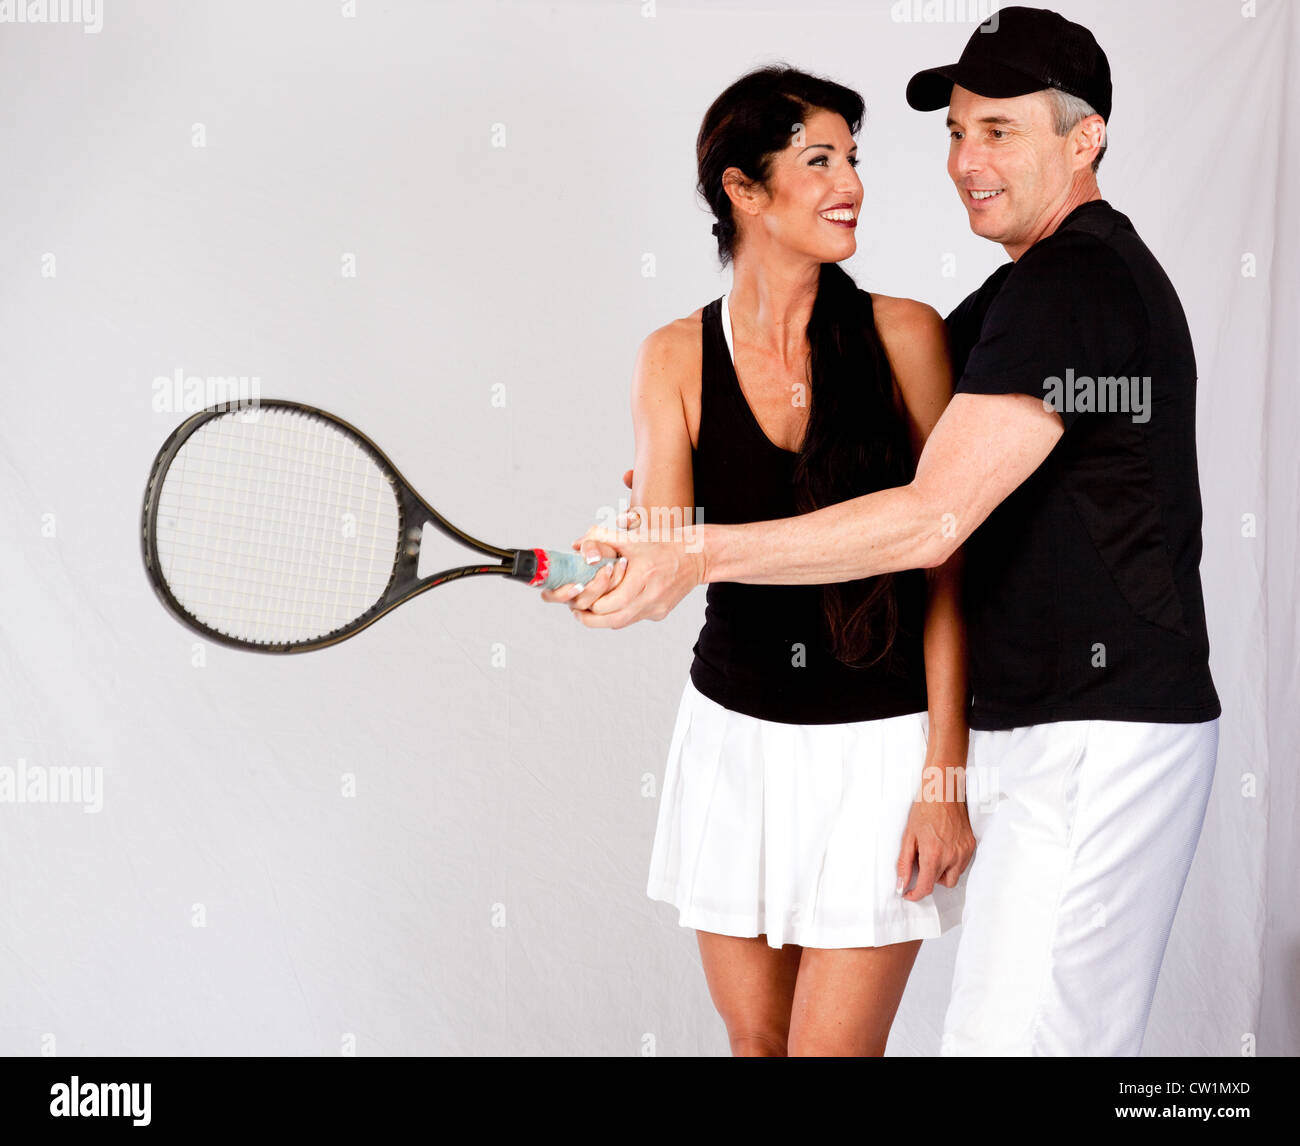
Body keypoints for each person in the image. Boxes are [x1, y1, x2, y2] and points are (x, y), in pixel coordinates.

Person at [557, 7, 1222, 1056]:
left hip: (1097, 735)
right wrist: (643, 535)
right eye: (955, 132)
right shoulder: (1010, 300)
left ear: (1082, 137)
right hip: (1045, 731)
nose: (963, 161)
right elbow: (854, 455)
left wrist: (698, 548)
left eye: (997, 131)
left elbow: (928, 519)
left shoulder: (1073, 286)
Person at [543, 65, 976, 1056]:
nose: (852, 184)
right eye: (819, 160)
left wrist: (943, 774)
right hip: (731, 739)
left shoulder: (905, 336)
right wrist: (604, 575)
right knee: (758, 1044)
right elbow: (666, 557)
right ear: (744, 190)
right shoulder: (670, 357)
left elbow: (951, 565)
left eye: (854, 160)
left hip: (881, 747)